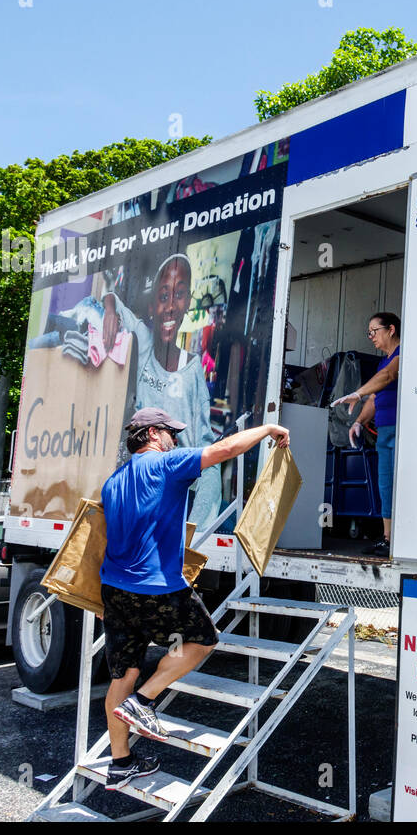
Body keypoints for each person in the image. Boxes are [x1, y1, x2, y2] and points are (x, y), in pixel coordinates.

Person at [99, 406, 290, 789]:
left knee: (124, 672)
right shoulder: (166, 465)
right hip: (155, 587)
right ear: (153, 434)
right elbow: (224, 450)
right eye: (171, 432)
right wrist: (267, 427)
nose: (176, 438)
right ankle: (146, 701)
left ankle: (120, 763)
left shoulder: (113, 480)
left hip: (114, 589)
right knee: (204, 640)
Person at [101, 253, 221, 530]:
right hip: (145, 486)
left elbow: (207, 454)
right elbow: (114, 302)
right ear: (153, 304)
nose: (170, 306)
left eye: (179, 295)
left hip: (178, 494)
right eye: (163, 295)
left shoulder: (193, 372)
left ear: (188, 303)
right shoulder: (143, 343)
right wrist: (109, 307)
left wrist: (196, 527)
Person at [333, 312, 400, 557]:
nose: (370, 336)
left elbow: (387, 377)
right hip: (384, 431)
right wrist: (359, 421)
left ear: (390, 329)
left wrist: (357, 394)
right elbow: (375, 397)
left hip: (399, 431)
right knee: (385, 484)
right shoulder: (383, 361)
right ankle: (388, 538)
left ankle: (400, 539)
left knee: (397, 485)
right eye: (368, 332)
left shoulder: (401, 354)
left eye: (374, 331)